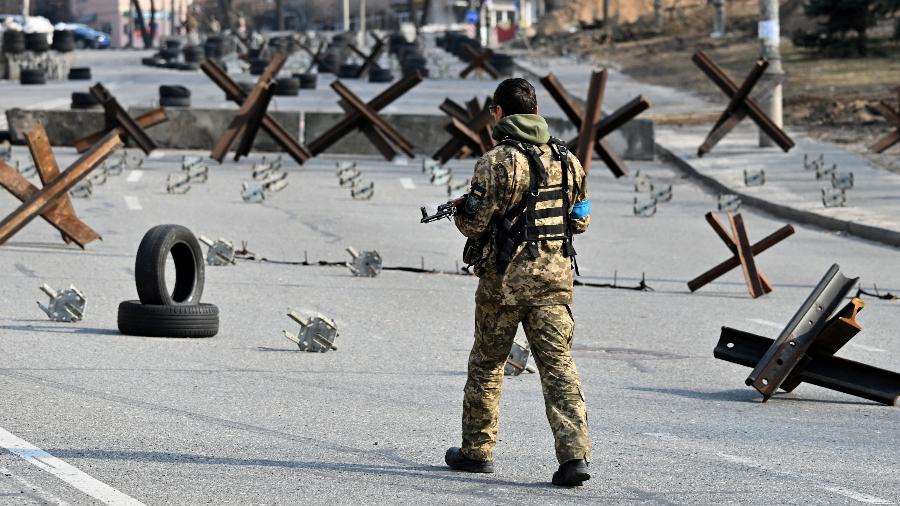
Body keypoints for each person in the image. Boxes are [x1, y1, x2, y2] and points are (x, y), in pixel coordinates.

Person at [444, 78, 592, 487]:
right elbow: (581, 219)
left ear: (498, 113)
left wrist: (461, 212)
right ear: (536, 110)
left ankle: (476, 452)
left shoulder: (496, 162)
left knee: (488, 365)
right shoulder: (569, 160)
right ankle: (574, 457)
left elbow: (473, 223)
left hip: (504, 286)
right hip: (555, 284)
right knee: (559, 368)